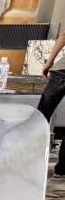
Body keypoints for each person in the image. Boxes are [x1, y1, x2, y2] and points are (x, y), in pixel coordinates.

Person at [38, 26, 65, 175]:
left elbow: (64, 36)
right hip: (61, 72)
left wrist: (49, 63)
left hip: (60, 71)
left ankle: (25, 159)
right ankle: (62, 169)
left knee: (40, 117)